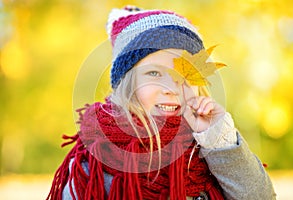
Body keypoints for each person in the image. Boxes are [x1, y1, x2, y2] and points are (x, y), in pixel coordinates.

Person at [46, 5, 276, 200]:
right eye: (154, 73)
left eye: (185, 75)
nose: (172, 88)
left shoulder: (209, 144)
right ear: (126, 83)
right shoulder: (96, 161)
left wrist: (219, 139)